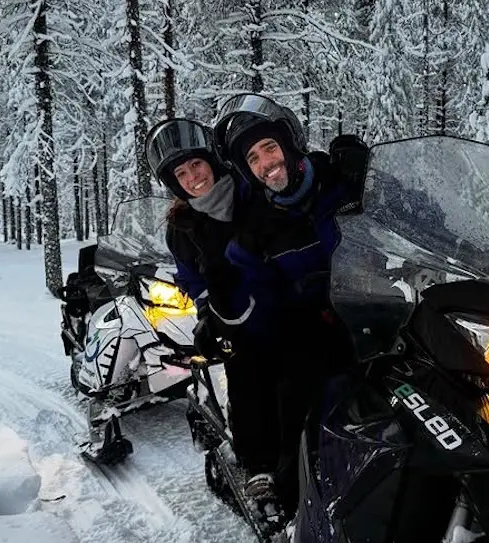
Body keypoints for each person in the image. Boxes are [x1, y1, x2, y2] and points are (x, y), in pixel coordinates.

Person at [212, 93, 368, 517]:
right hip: (312, 327)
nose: (266, 163)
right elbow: (252, 291)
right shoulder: (256, 227)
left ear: (290, 144)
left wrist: (364, 174)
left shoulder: (338, 180)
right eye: (254, 159)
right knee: (295, 390)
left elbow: (410, 217)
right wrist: (233, 320)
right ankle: (292, 495)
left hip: (375, 310)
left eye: (270, 148)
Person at [144, 117, 280, 502]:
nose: (193, 177)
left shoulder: (249, 189)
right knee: (245, 368)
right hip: (237, 315)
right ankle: (261, 466)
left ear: (213, 161)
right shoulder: (181, 226)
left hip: (286, 296)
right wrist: (209, 309)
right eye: (181, 173)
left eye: (197, 165)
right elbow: (190, 278)